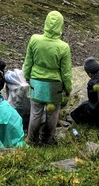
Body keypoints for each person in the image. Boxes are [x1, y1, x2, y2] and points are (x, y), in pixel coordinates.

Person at [23, 10, 72, 145]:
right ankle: (47, 140)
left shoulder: (34, 39)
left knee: (35, 113)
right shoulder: (63, 47)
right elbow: (66, 72)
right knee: (52, 115)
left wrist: (27, 75)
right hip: (54, 85)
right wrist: (68, 88)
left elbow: (28, 61)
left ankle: (31, 140)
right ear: (60, 25)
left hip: (36, 82)